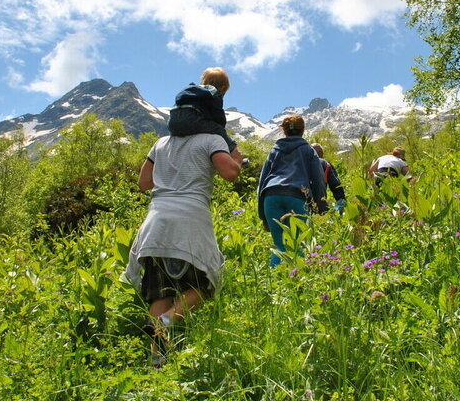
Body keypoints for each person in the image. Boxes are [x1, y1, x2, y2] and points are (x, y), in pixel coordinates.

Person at [124, 131, 243, 366]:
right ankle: (166, 320)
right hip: (189, 224)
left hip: (156, 225)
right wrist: (237, 160)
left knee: (160, 293)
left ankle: (157, 361)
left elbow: (143, 183)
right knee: (205, 285)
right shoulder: (212, 140)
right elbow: (230, 173)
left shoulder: (161, 142)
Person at [257, 114, 326, 267]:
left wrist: (262, 213)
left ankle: (275, 284)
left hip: (271, 196)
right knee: (299, 244)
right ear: (303, 131)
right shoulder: (308, 151)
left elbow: (262, 182)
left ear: (284, 131)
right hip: (297, 196)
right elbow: (318, 180)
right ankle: (299, 284)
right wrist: (321, 207)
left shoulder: (274, 151)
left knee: (279, 246)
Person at [167, 67, 238, 152]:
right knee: (218, 130)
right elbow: (217, 115)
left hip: (172, 123)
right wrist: (221, 125)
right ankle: (232, 151)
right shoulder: (214, 92)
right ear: (222, 88)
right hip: (191, 120)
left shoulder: (190, 90)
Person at [311, 143, 346, 213]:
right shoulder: (325, 164)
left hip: (302, 202)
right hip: (320, 204)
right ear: (322, 153)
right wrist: (340, 209)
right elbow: (336, 186)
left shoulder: (303, 163)